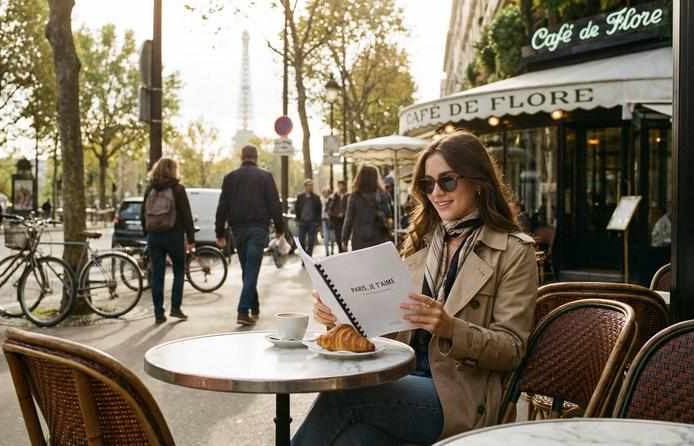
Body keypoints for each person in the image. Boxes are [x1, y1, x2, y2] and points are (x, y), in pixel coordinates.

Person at [294, 132, 538, 445]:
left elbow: (512, 350)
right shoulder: (421, 245)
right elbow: (386, 329)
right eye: (427, 184)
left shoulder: (514, 252)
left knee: (345, 397)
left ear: (478, 182)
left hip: (462, 395)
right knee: (353, 439)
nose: (436, 192)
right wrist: (337, 314)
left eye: (447, 181)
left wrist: (450, 327)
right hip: (404, 376)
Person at [216, 145, 285, 326]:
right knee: (252, 269)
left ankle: (254, 307)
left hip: (238, 229)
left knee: (248, 269)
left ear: (242, 157)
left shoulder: (230, 178)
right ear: (256, 157)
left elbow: (222, 207)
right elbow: (274, 204)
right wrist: (280, 227)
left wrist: (219, 232)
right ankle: (243, 310)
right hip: (258, 228)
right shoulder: (265, 177)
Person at [140, 158, 195, 324]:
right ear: (173, 170)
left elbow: (143, 213)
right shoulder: (178, 189)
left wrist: (147, 233)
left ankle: (158, 313)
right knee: (179, 271)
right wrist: (191, 238)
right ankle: (176, 308)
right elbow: (186, 214)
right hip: (174, 235)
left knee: (157, 274)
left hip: (154, 236)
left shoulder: (150, 188)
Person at [342, 165, 393, 251]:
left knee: (361, 264)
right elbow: (389, 217)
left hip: (359, 240)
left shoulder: (354, 196)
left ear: (360, 178)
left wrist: (344, 239)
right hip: (379, 239)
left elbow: (348, 220)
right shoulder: (383, 195)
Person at [295, 179, 322, 257]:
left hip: (312, 223)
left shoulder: (316, 198)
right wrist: (297, 219)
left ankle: (309, 255)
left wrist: (319, 223)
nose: (310, 187)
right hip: (302, 222)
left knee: (311, 241)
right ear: (305, 186)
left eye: (311, 185)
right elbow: (296, 208)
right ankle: (304, 257)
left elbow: (319, 211)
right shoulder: (300, 197)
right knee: (301, 240)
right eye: (308, 185)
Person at [327, 180, 349, 253]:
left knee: (344, 235)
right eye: (339, 185)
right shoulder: (334, 196)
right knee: (338, 236)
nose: (340, 187)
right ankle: (340, 249)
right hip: (336, 219)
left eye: (341, 185)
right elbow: (329, 208)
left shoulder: (348, 196)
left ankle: (345, 249)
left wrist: (344, 213)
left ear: (344, 186)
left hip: (345, 219)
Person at [321, 187, 335, 256]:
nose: (326, 194)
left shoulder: (332, 200)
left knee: (332, 237)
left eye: (327, 192)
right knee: (326, 237)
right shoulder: (321, 200)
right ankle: (327, 252)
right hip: (324, 220)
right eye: (324, 192)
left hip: (331, 221)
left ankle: (332, 250)